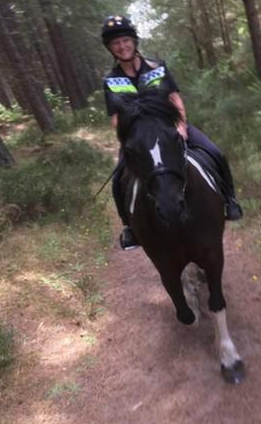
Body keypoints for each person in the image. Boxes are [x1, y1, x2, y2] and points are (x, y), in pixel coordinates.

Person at [101, 14, 243, 250]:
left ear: (134, 41)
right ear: (110, 48)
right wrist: (130, 139)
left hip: (169, 127)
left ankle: (230, 201)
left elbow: (174, 98)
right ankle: (129, 228)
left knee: (216, 152)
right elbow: (115, 117)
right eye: (116, 43)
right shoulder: (110, 81)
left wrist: (181, 126)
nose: (122, 46)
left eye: (125, 40)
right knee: (118, 179)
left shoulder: (157, 68)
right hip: (138, 137)